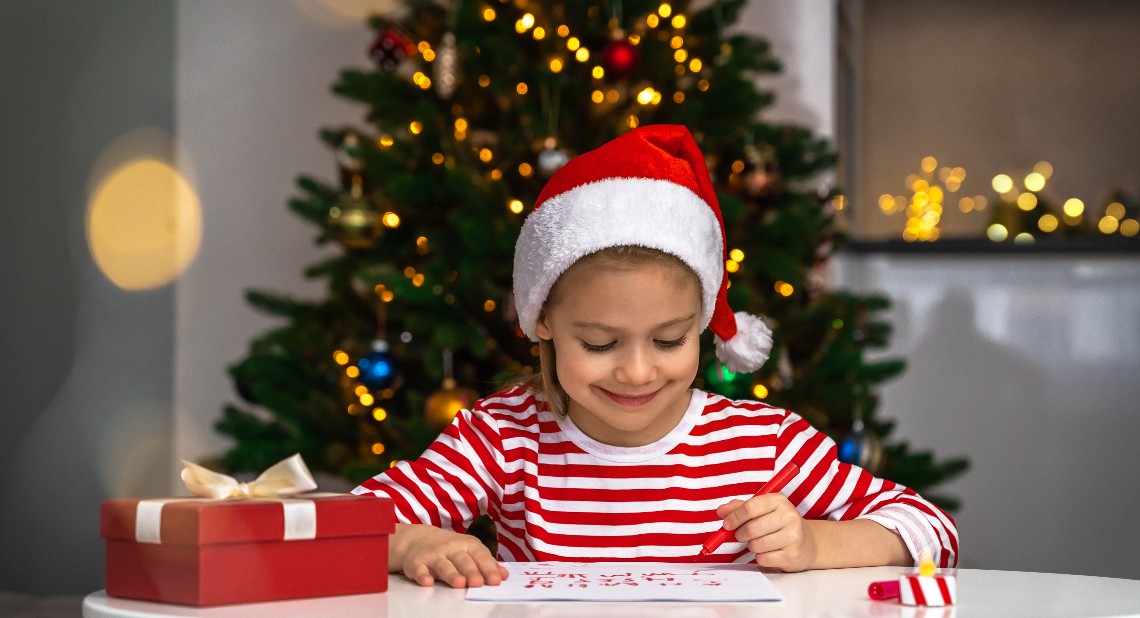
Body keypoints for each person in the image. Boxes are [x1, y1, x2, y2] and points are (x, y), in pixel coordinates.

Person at [352, 124, 959, 589]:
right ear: (542, 322)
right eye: (599, 343)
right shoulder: (503, 436)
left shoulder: (764, 443)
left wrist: (815, 546)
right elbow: (346, 528)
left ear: (700, 323)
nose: (638, 372)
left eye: (670, 340)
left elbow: (932, 530)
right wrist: (406, 545)